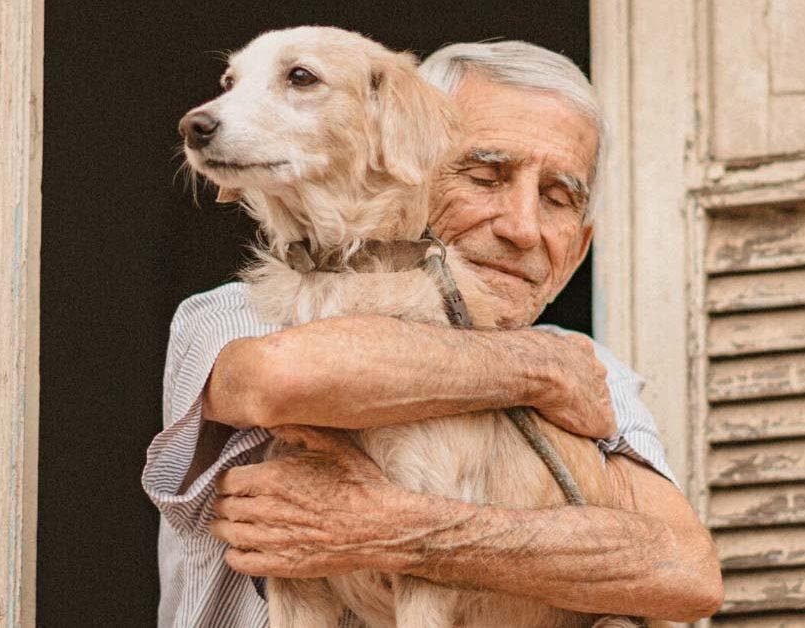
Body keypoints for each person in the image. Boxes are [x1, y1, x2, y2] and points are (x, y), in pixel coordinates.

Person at [143, 40, 725, 627]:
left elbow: (682, 571)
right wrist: (536, 372)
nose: (522, 228)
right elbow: (277, 380)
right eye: (484, 176)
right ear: (402, 164)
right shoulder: (240, 312)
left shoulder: (594, 368)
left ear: (576, 253)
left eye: (556, 199)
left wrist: (405, 532)